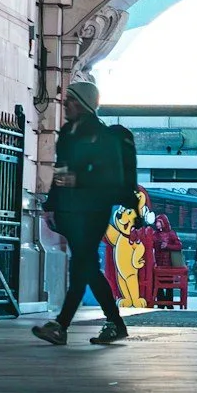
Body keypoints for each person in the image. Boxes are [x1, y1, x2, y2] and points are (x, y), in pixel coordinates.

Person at [33, 73, 138, 347]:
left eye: (70, 101)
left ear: (82, 104)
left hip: (94, 208)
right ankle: (113, 323)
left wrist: (78, 181)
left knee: (83, 265)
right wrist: (53, 204)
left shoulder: (101, 135)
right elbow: (61, 171)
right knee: (85, 266)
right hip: (72, 209)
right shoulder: (69, 133)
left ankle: (62, 325)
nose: (65, 105)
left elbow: (107, 176)